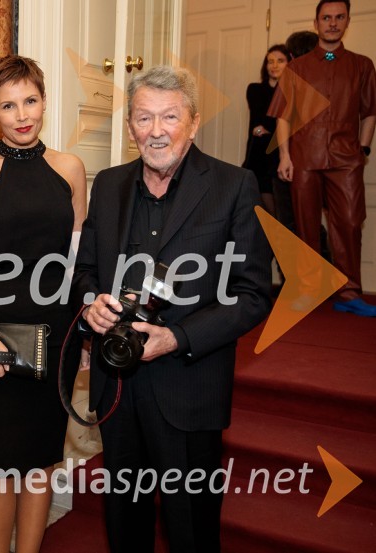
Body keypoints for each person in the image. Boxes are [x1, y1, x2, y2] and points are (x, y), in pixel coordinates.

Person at [73, 65, 271, 552]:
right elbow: (84, 273)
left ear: (194, 122)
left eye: (169, 117)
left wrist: (178, 338)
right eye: (143, 118)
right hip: (117, 387)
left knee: (191, 527)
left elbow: (252, 295)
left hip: (190, 387)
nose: (156, 131)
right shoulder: (110, 184)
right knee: (124, 521)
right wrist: (89, 306)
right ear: (130, 126)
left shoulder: (233, 186)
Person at [0, 54, 86, 553]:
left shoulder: (70, 167)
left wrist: (84, 331)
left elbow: (76, 259)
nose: (21, 114)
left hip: (57, 328)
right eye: (8, 105)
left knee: (44, 456)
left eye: (30, 100)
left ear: (45, 101)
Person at [269, 0, 376, 316]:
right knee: (306, 228)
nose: (332, 23)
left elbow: (370, 112)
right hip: (304, 157)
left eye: (338, 17)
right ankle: (309, 291)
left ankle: (349, 292)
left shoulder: (362, 65)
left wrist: (364, 149)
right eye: (326, 18)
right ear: (316, 23)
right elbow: (284, 116)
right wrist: (285, 157)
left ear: (347, 21)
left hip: (346, 159)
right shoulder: (298, 68)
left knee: (350, 223)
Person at [243, 45, 290, 216]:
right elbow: (261, 123)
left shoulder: (292, 92)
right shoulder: (255, 89)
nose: (274, 65)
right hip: (258, 155)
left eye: (280, 61)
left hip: (281, 156)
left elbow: (274, 124)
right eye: (270, 61)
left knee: (284, 213)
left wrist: (270, 128)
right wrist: (271, 128)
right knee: (263, 214)